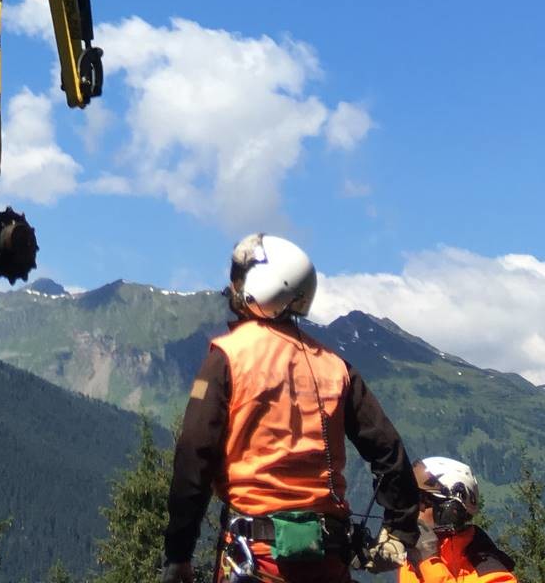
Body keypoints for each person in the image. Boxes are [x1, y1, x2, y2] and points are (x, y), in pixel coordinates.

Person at [162, 232, 420, 583]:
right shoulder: (335, 366)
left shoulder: (228, 357)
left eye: (239, 278)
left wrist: (178, 553)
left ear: (262, 285)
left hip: (259, 556)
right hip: (329, 558)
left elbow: (194, 454)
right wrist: (400, 528)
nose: (233, 286)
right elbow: (388, 448)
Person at [399, 459, 517, 583]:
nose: (412, 510)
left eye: (420, 500)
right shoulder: (414, 556)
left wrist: (430, 563)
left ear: (449, 510)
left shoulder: (490, 570)